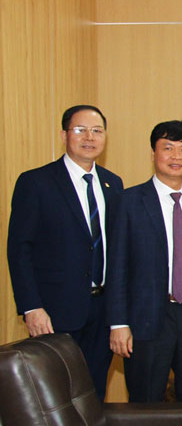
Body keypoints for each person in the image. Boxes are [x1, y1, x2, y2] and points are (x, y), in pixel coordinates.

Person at [7, 105, 123, 400]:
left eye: (97, 131)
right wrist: (31, 307)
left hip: (102, 310)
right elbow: (19, 249)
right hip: (55, 312)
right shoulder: (36, 182)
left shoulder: (113, 184)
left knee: (94, 393)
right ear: (64, 135)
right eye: (80, 130)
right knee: (58, 396)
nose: (89, 137)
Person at [107, 120, 182, 402]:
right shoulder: (128, 202)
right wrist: (118, 323)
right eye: (168, 148)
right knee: (145, 400)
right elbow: (116, 266)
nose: (176, 156)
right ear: (153, 153)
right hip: (146, 317)